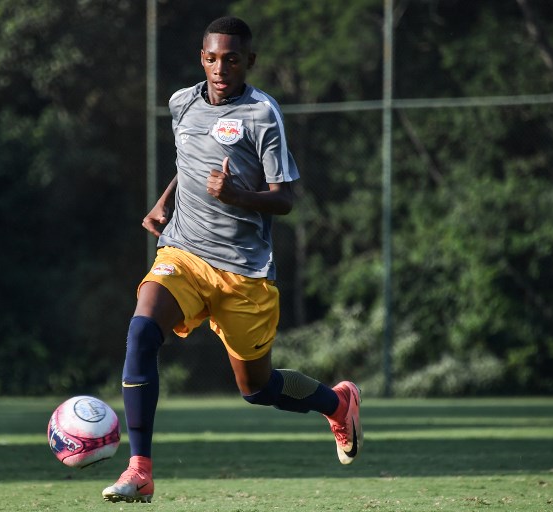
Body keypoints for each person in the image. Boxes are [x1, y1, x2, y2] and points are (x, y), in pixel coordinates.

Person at [102, 16, 361, 504]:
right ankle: (140, 469)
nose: (221, 68)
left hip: (245, 274)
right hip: (185, 251)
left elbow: (284, 199)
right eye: (212, 58)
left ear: (249, 62)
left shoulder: (263, 113)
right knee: (141, 331)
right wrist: (165, 201)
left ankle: (338, 403)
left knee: (257, 389)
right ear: (201, 57)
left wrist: (239, 195)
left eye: (232, 59)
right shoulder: (182, 103)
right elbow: (189, 162)